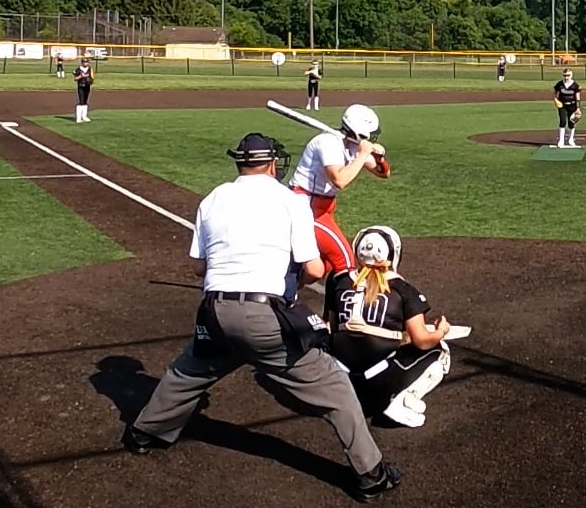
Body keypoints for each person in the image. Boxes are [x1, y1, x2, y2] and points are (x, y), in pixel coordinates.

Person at [124, 133, 403, 501]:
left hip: (215, 313)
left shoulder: (213, 199)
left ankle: (144, 433)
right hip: (264, 318)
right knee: (334, 387)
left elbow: (199, 268)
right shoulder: (291, 201)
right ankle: (371, 474)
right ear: (272, 164)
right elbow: (315, 269)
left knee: (190, 371)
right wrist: (300, 277)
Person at [326, 226, 454, 429]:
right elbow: (422, 341)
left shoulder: (339, 283)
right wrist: (441, 331)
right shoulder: (402, 289)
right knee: (440, 350)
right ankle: (400, 401)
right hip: (378, 379)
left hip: (341, 375)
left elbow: (333, 328)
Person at [291, 104, 391, 277]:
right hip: (306, 207)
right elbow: (339, 180)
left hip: (323, 208)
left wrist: (380, 158)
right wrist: (363, 155)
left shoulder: (353, 146)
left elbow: (383, 173)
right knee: (345, 261)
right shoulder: (328, 142)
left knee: (324, 266)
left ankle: (291, 286)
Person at [553, 69, 582, 147]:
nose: (566, 77)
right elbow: (555, 93)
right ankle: (561, 141)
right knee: (562, 121)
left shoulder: (575, 85)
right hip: (562, 105)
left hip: (572, 106)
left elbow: (578, 97)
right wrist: (555, 100)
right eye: (565, 75)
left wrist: (578, 108)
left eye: (568, 75)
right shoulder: (560, 84)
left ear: (571, 75)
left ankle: (571, 140)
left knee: (571, 123)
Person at [74, 57, 95, 123]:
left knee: (85, 101)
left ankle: (84, 116)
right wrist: (81, 76)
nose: (86, 63)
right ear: (82, 63)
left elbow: (92, 77)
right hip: (81, 86)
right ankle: (78, 118)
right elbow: (75, 78)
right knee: (81, 101)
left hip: (87, 86)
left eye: (87, 62)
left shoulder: (89, 69)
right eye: (84, 62)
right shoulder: (78, 69)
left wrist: (91, 81)